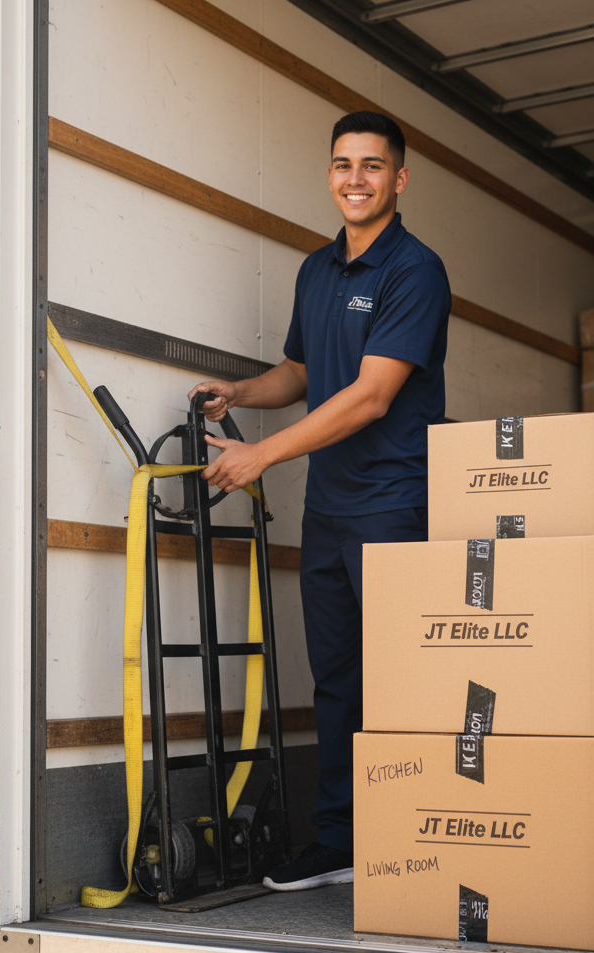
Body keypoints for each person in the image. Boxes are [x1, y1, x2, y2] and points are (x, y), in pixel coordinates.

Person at [188, 110, 450, 891]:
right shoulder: (316, 270)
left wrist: (261, 454)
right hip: (330, 507)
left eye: (372, 166)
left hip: (395, 504)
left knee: (401, 680)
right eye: (343, 165)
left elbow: (371, 396)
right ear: (329, 174)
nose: (355, 179)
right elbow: (300, 373)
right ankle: (339, 841)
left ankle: (416, 843)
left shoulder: (416, 270)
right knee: (335, 679)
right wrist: (240, 392)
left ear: (399, 179)